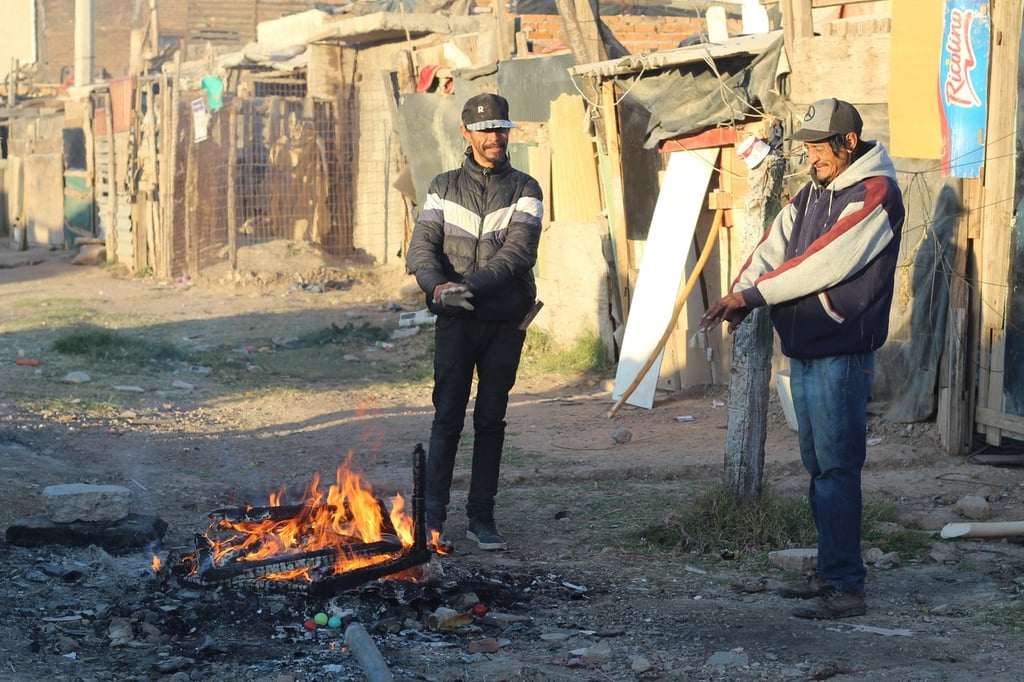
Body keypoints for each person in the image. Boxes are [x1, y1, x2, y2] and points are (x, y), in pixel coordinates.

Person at [700, 98, 905, 619]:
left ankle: (846, 587)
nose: (811, 157)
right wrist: (741, 289)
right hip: (808, 348)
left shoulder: (875, 194)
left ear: (848, 144)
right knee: (819, 467)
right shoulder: (812, 192)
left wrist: (751, 298)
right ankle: (830, 572)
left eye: (818, 147)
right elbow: (771, 248)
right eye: (809, 147)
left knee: (837, 469)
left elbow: (823, 262)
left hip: (841, 351)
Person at [405, 93, 543, 551]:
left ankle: (481, 518)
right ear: (466, 134)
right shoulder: (442, 187)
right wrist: (437, 287)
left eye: (501, 128)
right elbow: (421, 247)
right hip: (455, 321)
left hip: (504, 323)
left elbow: (518, 253)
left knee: (490, 419)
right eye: (484, 129)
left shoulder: (527, 188)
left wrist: (470, 288)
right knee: (446, 419)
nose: (493, 137)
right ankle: (432, 521)